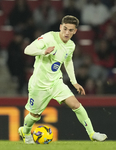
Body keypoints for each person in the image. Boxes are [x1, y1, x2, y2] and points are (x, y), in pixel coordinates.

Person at [18, 15, 107, 144]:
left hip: (56, 82)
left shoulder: (71, 46)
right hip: (39, 84)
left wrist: (74, 82)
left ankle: (92, 133)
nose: (67, 32)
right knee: (34, 116)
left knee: (76, 105)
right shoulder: (49, 37)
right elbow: (27, 49)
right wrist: (43, 52)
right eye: (65, 29)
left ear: (75, 31)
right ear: (60, 27)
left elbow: (68, 61)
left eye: (70, 30)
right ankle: (25, 132)